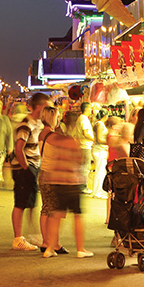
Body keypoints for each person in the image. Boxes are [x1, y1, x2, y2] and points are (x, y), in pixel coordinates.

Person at [38, 105, 93, 259]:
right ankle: (80, 248)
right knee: (75, 215)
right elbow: (78, 159)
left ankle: (49, 246)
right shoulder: (62, 139)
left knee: (54, 213)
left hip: (55, 178)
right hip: (70, 181)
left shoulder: (48, 136)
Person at [10, 92, 50, 251]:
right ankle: (18, 238)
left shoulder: (37, 123)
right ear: (39, 107)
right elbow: (19, 148)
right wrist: (26, 168)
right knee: (20, 203)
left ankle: (33, 234)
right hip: (24, 167)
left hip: (32, 166)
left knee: (32, 202)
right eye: (46, 107)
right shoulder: (26, 124)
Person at [74, 102, 95, 194]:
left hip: (83, 145)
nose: (91, 110)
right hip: (85, 146)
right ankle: (83, 187)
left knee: (83, 167)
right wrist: (94, 139)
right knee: (85, 167)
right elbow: (85, 133)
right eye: (90, 109)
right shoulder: (83, 119)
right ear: (86, 109)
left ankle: (81, 186)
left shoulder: (82, 118)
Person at [90, 109, 109, 199]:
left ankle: (99, 190)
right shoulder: (100, 125)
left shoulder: (97, 123)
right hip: (99, 150)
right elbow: (99, 139)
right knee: (100, 171)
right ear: (105, 116)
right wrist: (109, 141)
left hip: (99, 150)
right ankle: (98, 191)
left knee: (100, 170)